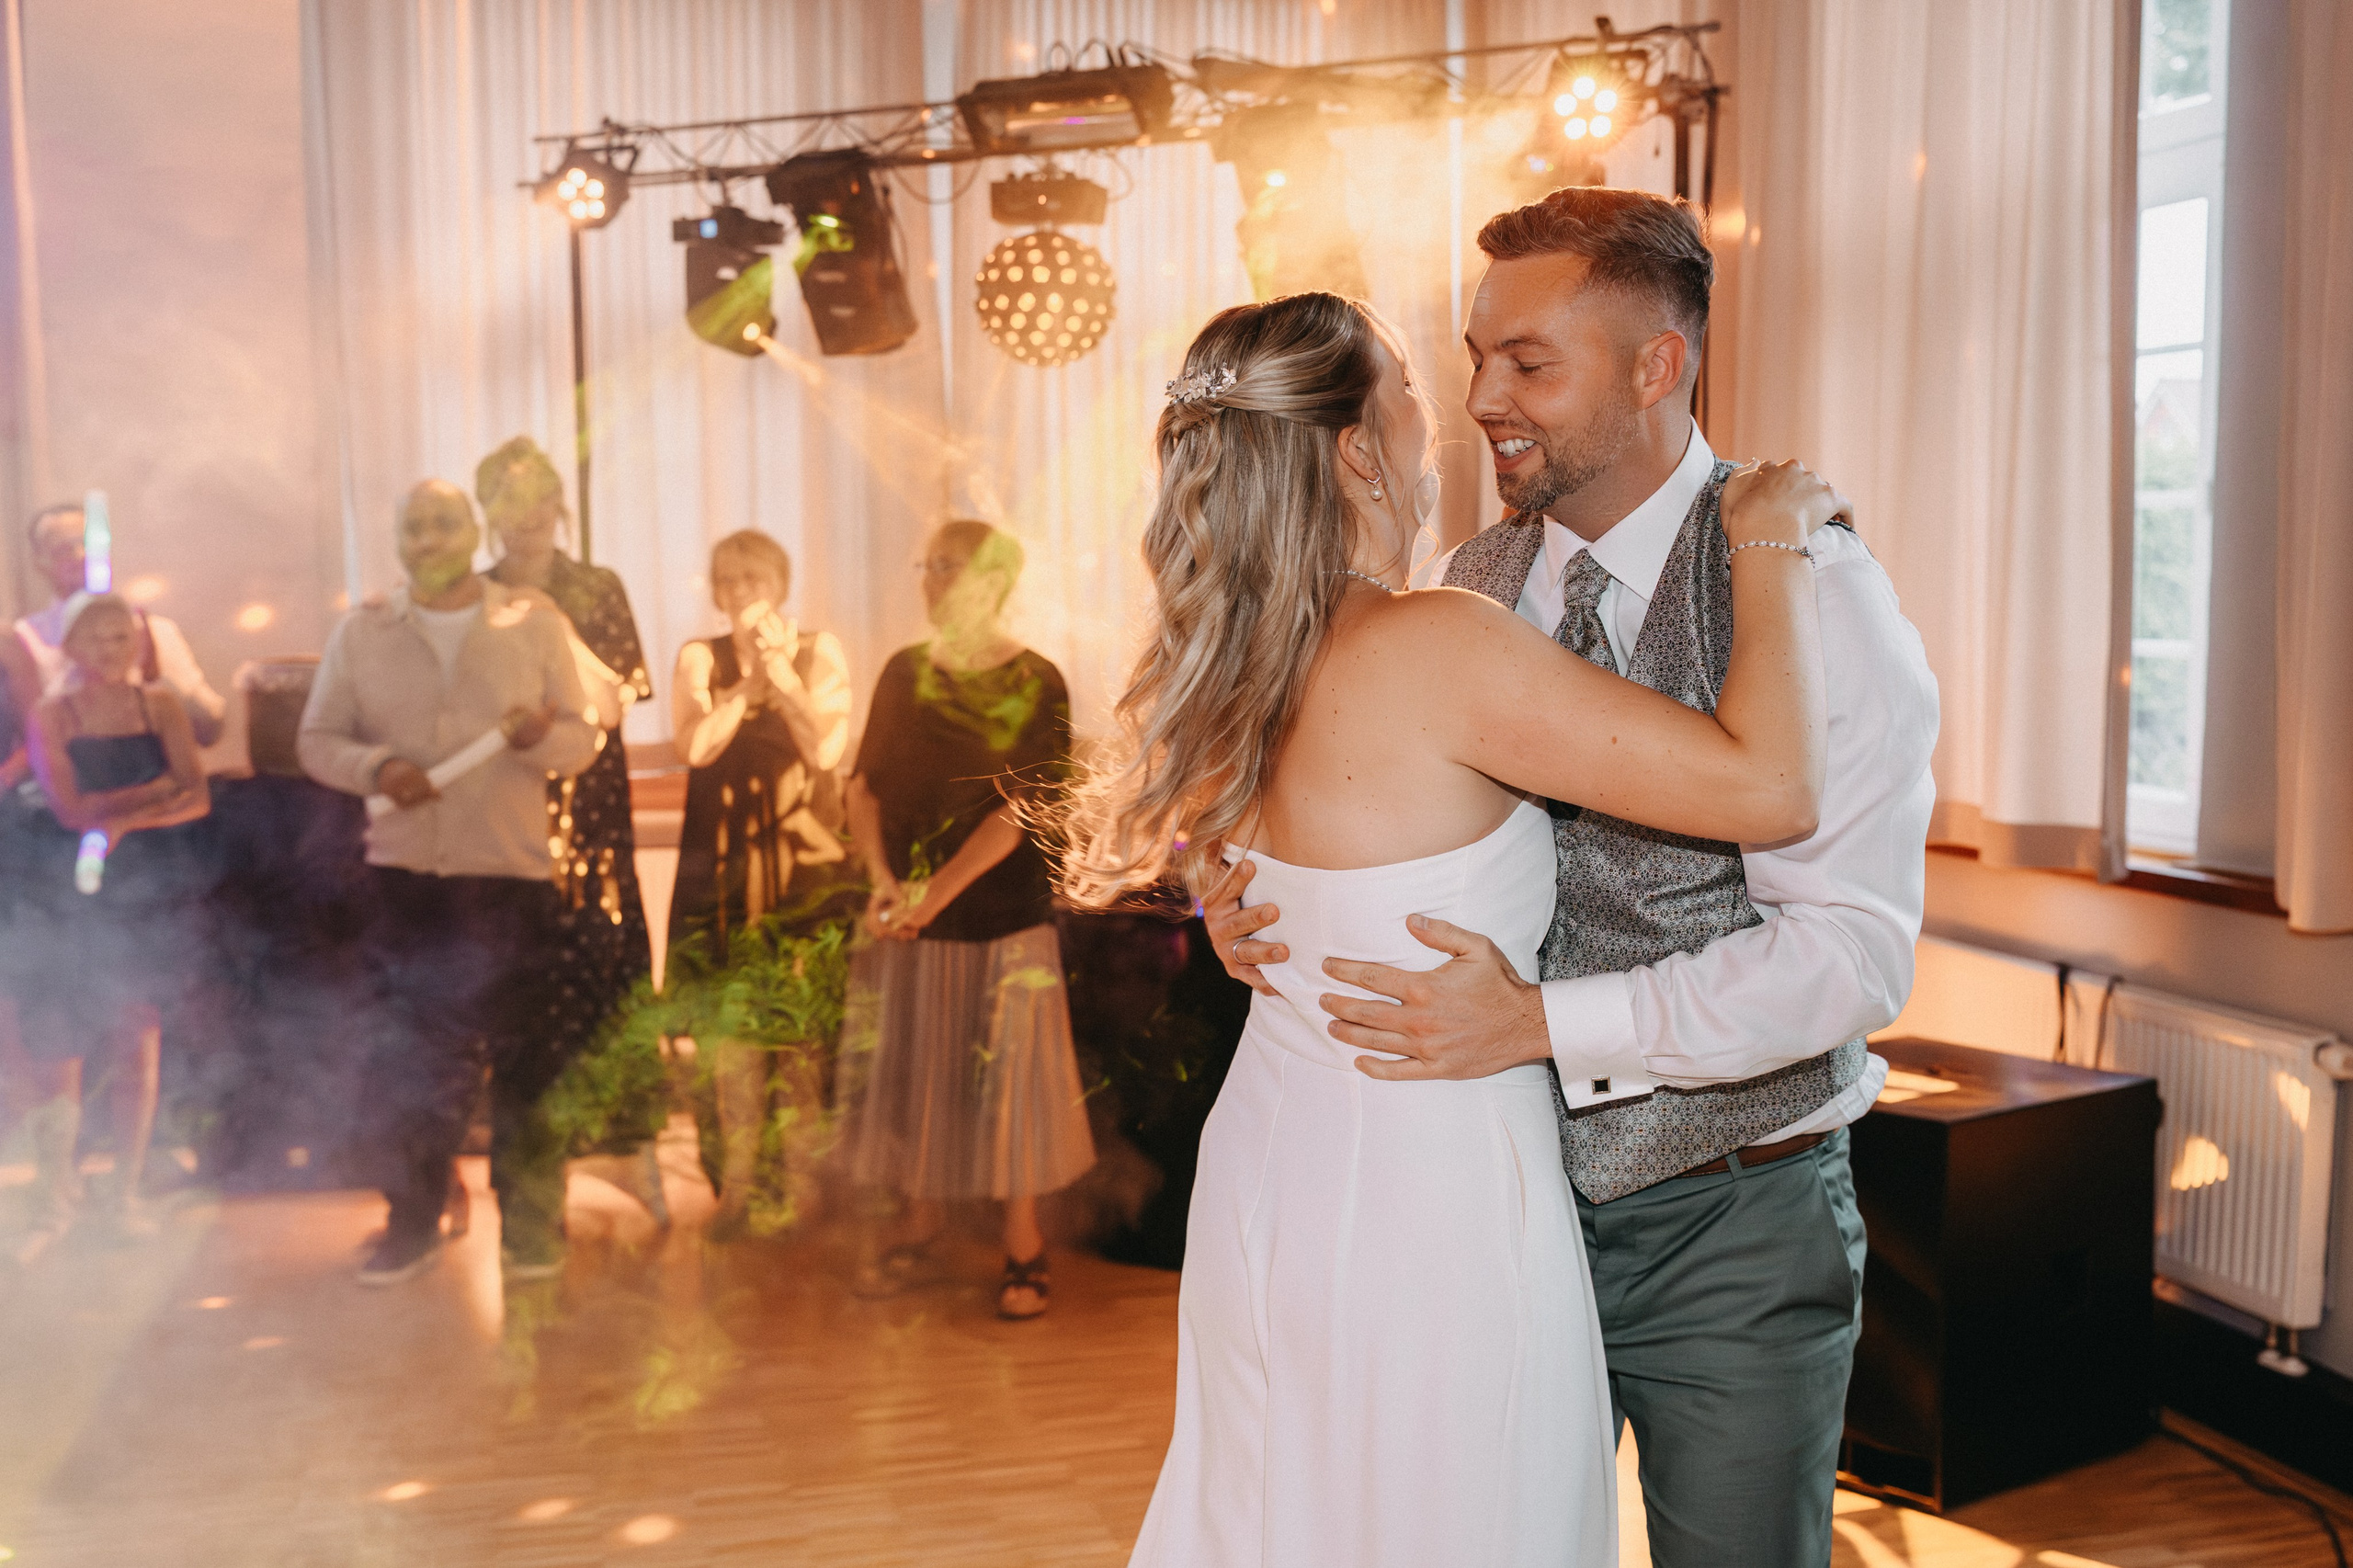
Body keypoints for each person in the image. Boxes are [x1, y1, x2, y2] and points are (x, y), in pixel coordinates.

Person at [1206, 191, 1938, 1566]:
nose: (1483, 398)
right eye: (1474, 358)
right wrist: (1254, 907)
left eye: (1528, 362)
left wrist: (1544, 1023)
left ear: (1658, 364)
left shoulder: (1815, 590)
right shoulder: (1461, 582)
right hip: (1483, 1211)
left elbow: (1850, 956)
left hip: (1729, 1217)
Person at [1064, 285, 1848, 1566]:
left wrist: (1228, 904)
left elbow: (1271, 858)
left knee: (1288, 1515)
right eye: (1415, 391)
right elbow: (1771, 788)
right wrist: (1766, 543)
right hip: (1431, 1187)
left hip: (1272, 1172)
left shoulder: (1230, 662)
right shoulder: (1436, 642)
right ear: (1358, 451)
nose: (1455, 413)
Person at [298, 480, 597, 1286]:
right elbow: (317, 741)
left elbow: (582, 740)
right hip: (406, 883)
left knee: (528, 1063)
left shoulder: (533, 622)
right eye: (413, 529)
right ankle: (413, 1221)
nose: (428, 540)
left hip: (510, 877)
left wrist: (538, 741)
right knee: (408, 1065)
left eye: (443, 524)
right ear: (398, 544)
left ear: (473, 533)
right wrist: (378, 767)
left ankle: (530, 1226)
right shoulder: (362, 633)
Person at [837, 519, 1094, 1320]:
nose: (933, 580)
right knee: (921, 1075)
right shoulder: (902, 672)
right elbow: (863, 788)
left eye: (949, 567)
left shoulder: (1039, 680)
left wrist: (931, 895)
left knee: (1008, 1083)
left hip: (1001, 917)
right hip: (910, 914)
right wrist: (884, 883)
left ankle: (1023, 1242)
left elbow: (1018, 814)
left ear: (993, 582)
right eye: (929, 565)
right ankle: (922, 1224)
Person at [479, 437, 663, 1225]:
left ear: (561, 504)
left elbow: (618, 693)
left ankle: (624, 1148)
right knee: (519, 980)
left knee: (602, 957)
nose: (528, 515)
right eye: (509, 498)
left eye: (540, 497)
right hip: (507, 804)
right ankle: (529, 1166)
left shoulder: (595, 586)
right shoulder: (473, 594)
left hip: (591, 802)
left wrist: (549, 623)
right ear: (488, 512)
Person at [8, 594, 213, 1262]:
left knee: (137, 1033)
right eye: (95, 637)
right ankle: (54, 1196)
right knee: (58, 1042)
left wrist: (122, 820)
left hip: (146, 885)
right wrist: (155, 792)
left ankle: (124, 1193)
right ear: (70, 647)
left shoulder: (161, 706)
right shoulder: (53, 714)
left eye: (121, 636)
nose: (110, 648)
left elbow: (198, 794)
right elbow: (72, 810)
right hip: (66, 885)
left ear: (139, 644)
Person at [667, 528, 853, 1233]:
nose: (740, 591)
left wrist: (784, 678)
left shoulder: (819, 650)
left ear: (780, 584)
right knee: (731, 1034)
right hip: (723, 862)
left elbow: (826, 748)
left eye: (753, 578)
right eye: (728, 579)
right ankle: (738, 1185)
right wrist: (747, 687)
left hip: (800, 860)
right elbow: (694, 746)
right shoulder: (701, 657)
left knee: (800, 1031)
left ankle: (804, 1183)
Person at [17, 503, 229, 746]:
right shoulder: (23, 640)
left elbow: (208, 732)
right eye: (63, 550)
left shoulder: (154, 630)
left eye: (90, 544)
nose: (81, 556)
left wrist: (157, 677)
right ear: (39, 562)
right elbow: (23, 739)